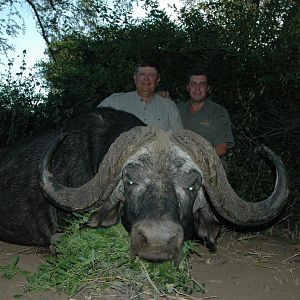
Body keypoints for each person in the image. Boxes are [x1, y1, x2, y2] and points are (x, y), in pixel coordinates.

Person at [98, 60, 183, 131]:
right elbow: (93, 121)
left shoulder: (169, 107)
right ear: (135, 78)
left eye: (151, 75)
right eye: (142, 74)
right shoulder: (116, 101)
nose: (146, 79)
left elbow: (180, 139)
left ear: (157, 80)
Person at [177, 68, 235, 158]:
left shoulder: (218, 111)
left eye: (202, 84)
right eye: (193, 84)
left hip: (210, 165)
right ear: (187, 87)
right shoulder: (177, 109)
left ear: (208, 88)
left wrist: (197, 161)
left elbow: (221, 148)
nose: (197, 88)